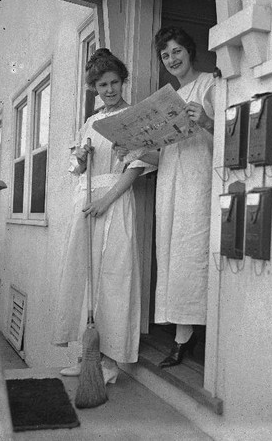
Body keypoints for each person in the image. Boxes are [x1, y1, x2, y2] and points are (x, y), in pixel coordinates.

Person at [52, 48, 155, 383]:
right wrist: (81, 157)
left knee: (113, 277)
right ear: (93, 88)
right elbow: (77, 168)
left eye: (114, 82)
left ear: (122, 82)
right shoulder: (91, 121)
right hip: (86, 202)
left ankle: (109, 363)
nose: (109, 89)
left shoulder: (131, 118)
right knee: (85, 278)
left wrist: (106, 201)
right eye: (101, 84)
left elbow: (134, 169)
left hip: (114, 201)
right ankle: (87, 356)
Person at [115, 27, 215, 367]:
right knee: (173, 257)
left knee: (192, 254)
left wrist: (208, 120)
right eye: (165, 55)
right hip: (170, 183)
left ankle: (193, 335)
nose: (172, 59)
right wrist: (136, 148)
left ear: (190, 50)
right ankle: (182, 334)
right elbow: (166, 155)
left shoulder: (210, 85)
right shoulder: (170, 98)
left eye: (176, 51)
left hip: (198, 181)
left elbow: (232, 133)